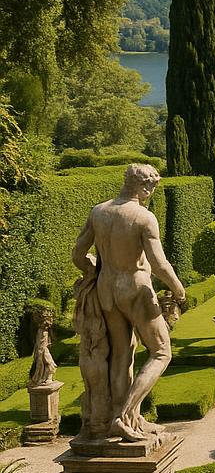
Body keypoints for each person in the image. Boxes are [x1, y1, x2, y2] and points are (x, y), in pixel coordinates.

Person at [71, 164, 187, 443]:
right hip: (134, 287)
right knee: (161, 352)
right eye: (152, 187)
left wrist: (92, 271)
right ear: (144, 186)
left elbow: (78, 254)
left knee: (122, 356)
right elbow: (159, 264)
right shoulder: (143, 217)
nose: (152, 192)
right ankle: (123, 417)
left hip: (106, 289)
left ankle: (128, 420)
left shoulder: (99, 212)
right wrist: (179, 290)